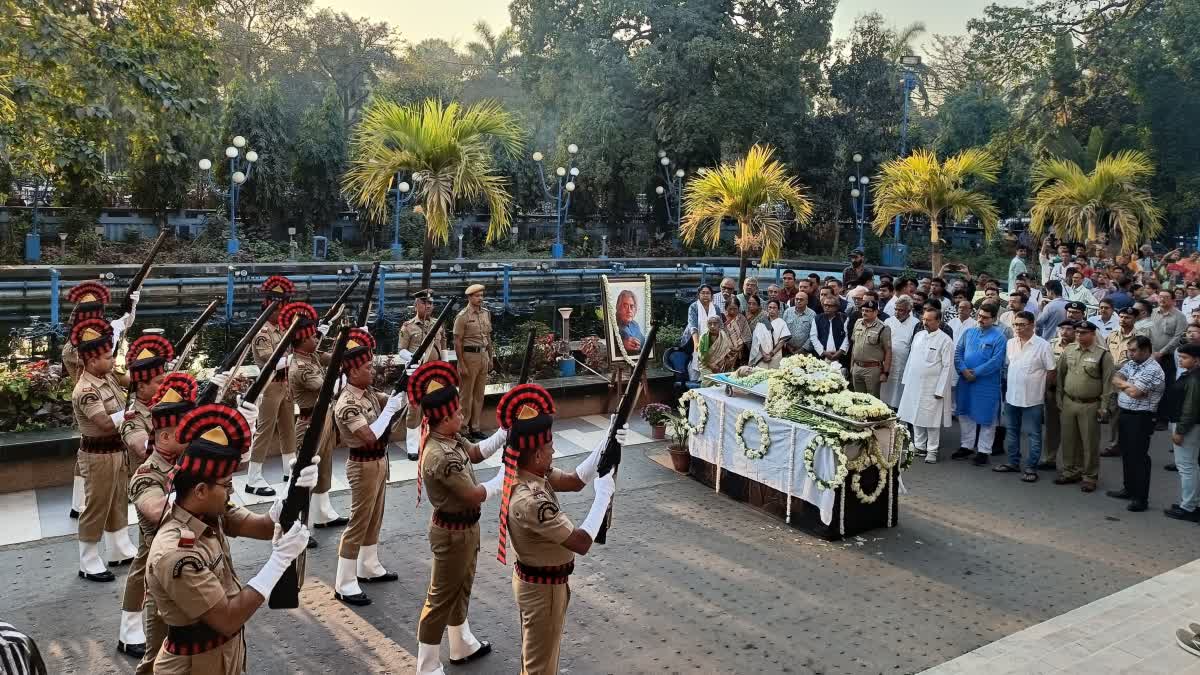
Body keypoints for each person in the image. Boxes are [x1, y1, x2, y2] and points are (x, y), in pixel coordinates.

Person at [144, 402, 317, 675]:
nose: (231, 491)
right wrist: (279, 561)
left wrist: (294, 489)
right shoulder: (176, 553)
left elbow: (260, 526)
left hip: (225, 652)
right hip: (195, 664)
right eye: (226, 485)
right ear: (201, 490)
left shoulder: (207, 512)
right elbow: (227, 617)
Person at [493, 383, 623, 675]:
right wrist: (604, 494)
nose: (553, 452)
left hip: (543, 584)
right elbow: (580, 542)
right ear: (537, 454)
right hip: (542, 590)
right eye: (550, 448)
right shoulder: (531, 500)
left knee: (539, 658)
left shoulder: (530, 472)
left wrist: (607, 441)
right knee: (541, 667)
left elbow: (576, 480)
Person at [409, 361, 508, 674]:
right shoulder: (440, 454)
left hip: (466, 528)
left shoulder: (450, 438)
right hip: (452, 533)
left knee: (461, 588)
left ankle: (461, 642)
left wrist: (504, 433)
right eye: (458, 414)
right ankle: (426, 665)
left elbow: (476, 452)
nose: (462, 417)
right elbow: (473, 494)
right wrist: (505, 476)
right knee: (440, 598)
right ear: (443, 418)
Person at [126, 372, 202, 674]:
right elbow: (158, 510)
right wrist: (194, 480)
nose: (194, 438)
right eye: (188, 432)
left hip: (201, 573)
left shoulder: (190, 464)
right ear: (167, 437)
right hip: (166, 584)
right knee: (157, 661)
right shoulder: (147, 475)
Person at [331, 329, 407, 607]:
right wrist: (389, 410)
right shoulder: (348, 404)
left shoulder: (368, 393)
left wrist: (405, 386)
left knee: (375, 516)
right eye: (366, 367)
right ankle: (344, 582)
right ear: (352, 373)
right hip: (362, 465)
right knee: (358, 522)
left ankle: (369, 565)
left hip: (379, 461)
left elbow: (393, 403)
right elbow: (368, 435)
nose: (371, 371)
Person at [114, 334, 174, 659]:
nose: (163, 384)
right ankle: (129, 629)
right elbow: (141, 446)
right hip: (149, 491)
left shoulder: (163, 407)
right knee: (145, 560)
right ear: (142, 385)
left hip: (174, 491)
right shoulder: (133, 418)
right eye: (158, 381)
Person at [63, 281, 139, 520]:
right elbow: (95, 357)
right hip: (90, 398)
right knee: (88, 448)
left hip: (107, 388)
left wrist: (133, 304)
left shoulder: (101, 334)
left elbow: (124, 324)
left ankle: (82, 501)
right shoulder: (73, 348)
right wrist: (111, 338)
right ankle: (80, 502)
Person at [69, 318, 138, 582]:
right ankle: (88, 560)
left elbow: (131, 381)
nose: (112, 361)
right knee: (96, 506)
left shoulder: (107, 375)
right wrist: (131, 413)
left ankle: (118, 547)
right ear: (92, 360)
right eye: (107, 357)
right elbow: (106, 424)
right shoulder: (86, 390)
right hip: (97, 455)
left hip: (116, 451)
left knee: (118, 501)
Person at [282, 302, 346, 534]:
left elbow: (330, 356)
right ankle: (295, 524)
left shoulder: (311, 356)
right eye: (312, 337)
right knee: (304, 476)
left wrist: (347, 349)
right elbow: (327, 387)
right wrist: (347, 374)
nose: (317, 339)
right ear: (301, 341)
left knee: (325, 467)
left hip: (324, 419)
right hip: (310, 424)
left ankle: (322, 513)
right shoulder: (301, 366)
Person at [993, 311, 1056, 482]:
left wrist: (1043, 388)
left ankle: (1031, 468)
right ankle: (1013, 463)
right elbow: (1009, 366)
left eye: (1022, 324)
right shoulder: (1011, 343)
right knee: (1012, 432)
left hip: (1033, 399)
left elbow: (1051, 370)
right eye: (1015, 324)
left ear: (1032, 324)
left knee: (1033, 434)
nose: (1018, 328)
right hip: (1012, 396)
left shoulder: (1043, 345)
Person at [1108, 335, 1166, 512]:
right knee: (1126, 454)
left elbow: (1135, 392)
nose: (1129, 353)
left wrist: (1124, 385)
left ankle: (1141, 498)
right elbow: (1115, 378)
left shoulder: (1153, 369)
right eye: (1129, 350)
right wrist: (1128, 384)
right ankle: (1129, 489)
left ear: (1146, 350)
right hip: (1126, 414)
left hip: (1141, 417)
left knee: (1139, 457)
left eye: (1133, 350)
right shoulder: (1133, 363)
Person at [1055, 321, 1114, 492]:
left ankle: (1089, 476)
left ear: (1093, 334)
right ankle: (1070, 470)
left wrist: (1104, 407)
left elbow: (1108, 383)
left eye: (1084, 332)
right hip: (1069, 401)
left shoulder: (1103, 355)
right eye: (1078, 332)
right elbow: (1060, 375)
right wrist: (1059, 398)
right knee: (1068, 440)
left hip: (1090, 404)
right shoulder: (1069, 350)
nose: (1079, 335)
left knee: (1089, 442)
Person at [952, 304, 1007, 465]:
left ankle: (984, 451)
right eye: (979, 316)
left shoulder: (999, 337)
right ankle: (967, 446)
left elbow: (996, 362)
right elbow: (958, 353)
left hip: (986, 384)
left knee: (986, 417)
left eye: (985, 317)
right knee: (964, 414)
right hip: (965, 381)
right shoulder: (969, 333)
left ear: (994, 319)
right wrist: (963, 370)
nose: (981, 319)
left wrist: (975, 372)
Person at [899, 307, 955, 463]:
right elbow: (911, 359)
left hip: (932, 387)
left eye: (929, 320)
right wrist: (906, 380)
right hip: (914, 384)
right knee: (915, 416)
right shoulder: (918, 336)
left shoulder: (945, 340)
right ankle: (919, 446)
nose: (925, 323)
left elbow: (947, 366)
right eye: (924, 319)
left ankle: (932, 450)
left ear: (938, 321)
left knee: (931, 420)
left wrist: (941, 389)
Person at [399, 290, 448, 460]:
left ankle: (432, 440)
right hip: (416, 373)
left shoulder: (438, 324)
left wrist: (445, 367)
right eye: (424, 303)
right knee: (414, 409)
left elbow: (442, 347)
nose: (428, 306)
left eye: (431, 303)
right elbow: (401, 350)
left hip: (434, 374)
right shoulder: (408, 326)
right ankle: (413, 446)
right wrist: (413, 359)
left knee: (435, 406)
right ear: (416, 305)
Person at [1164, 343, 1200, 521]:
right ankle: (1192, 502)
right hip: (1186, 425)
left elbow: (1190, 408)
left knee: (1186, 466)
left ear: (1197, 360)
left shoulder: (1194, 379)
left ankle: (1188, 507)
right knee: (1192, 466)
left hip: (1186, 426)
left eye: (1184, 357)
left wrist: (1180, 431)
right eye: (1180, 356)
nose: (1180, 360)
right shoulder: (1191, 375)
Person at [454, 284, 493, 441]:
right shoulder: (462, 316)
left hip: (483, 355)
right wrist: (461, 363)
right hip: (469, 357)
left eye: (482, 295)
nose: (480, 298)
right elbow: (457, 342)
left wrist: (490, 357)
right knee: (466, 395)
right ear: (469, 297)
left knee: (479, 394)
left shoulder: (485, 313)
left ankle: (475, 427)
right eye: (477, 296)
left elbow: (489, 337)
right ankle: (463, 428)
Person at [1102, 308, 1141, 458]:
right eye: (1122, 317)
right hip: (1113, 380)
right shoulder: (1112, 334)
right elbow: (1106, 354)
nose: (1123, 320)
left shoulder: (1140, 337)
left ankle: (1131, 444)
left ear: (1134, 320)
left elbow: (1142, 359)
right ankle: (1115, 444)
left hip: (1131, 381)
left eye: (1128, 317)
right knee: (1114, 413)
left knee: (1131, 414)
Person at [849, 300, 891, 397]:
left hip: (872, 369)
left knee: (873, 401)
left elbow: (888, 351)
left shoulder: (883, 328)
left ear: (876, 312)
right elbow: (855, 345)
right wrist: (852, 366)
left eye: (867, 311)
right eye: (863, 310)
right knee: (858, 399)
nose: (864, 313)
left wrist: (885, 372)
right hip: (857, 367)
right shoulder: (858, 323)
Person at [881, 296, 917, 408]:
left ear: (909, 311)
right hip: (887, 361)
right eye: (896, 309)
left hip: (904, 363)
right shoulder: (888, 321)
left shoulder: (916, 323)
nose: (897, 312)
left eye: (901, 310)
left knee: (899, 391)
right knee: (885, 390)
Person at [749, 299, 791, 369]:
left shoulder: (782, 323)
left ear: (778, 310)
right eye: (770, 307)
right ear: (767, 309)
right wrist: (763, 354)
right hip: (761, 355)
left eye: (774, 308)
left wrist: (771, 354)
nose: (772, 310)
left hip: (775, 355)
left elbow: (782, 341)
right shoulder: (761, 323)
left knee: (774, 376)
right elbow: (756, 340)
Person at [811, 296, 848, 372]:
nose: (827, 307)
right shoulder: (817, 318)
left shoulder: (844, 318)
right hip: (822, 357)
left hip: (839, 357)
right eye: (825, 305)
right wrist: (823, 352)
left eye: (830, 306)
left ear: (836, 307)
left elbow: (847, 337)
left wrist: (840, 352)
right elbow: (813, 337)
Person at [1151, 289, 1189, 359]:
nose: (1162, 299)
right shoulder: (1152, 312)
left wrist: (1161, 352)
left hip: (1169, 355)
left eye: (1166, 297)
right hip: (1151, 354)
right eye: (1160, 297)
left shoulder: (1180, 316)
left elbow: (1178, 336)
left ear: (1173, 301)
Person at [782, 291, 815, 356]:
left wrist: (802, 349)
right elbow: (783, 330)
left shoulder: (812, 314)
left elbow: (813, 335)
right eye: (797, 299)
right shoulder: (788, 312)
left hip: (805, 352)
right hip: (787, 350)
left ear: (807, 301)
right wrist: (788, 346)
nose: (798, 301)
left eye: (801, 299)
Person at [722, 297, 752, 366]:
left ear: (738, 308)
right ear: (726, 308)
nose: (732, 311)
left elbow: (746, 335)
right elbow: (719, 335)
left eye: (735, 309)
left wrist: (739, 347)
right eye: (730, 309)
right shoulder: (722, 318)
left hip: (739, 353)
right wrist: (729, 347)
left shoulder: (742, 318)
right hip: (724, 352)